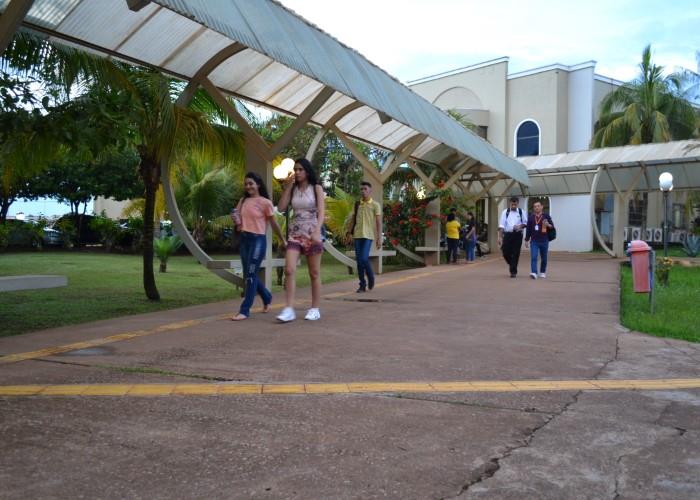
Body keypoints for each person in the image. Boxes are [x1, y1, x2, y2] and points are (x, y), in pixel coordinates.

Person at [231, 172, 286, 321]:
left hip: (258, 241)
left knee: (250, 275)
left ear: (258, 185)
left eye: (251, 183)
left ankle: (244, 310)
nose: (248, 186)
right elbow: (236, 216)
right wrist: (236, 218)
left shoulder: (265, 202)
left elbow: (273, 223)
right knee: (250, 274)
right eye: (246, 184)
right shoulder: (243, 200)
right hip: (244, 240)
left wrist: (282, 240)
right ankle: (267, 297)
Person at [276, 158, 325, 322]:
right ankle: (289, 309)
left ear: (307, 171)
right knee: (289, 269)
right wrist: (289, 186)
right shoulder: (293, 189)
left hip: (312, 233)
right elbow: (281, 208)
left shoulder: (316, 188)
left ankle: (315, 309)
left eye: (300, 169)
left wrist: (317, 231)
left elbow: (321, 212)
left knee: (314, 273)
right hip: (295, 234)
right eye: (295, 169)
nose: (297, 172)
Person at [348, 181, 382, 292]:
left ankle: (371, 276)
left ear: (370, 191)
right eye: (361, 189)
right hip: (357, 235)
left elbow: (378, 222)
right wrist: (349, 233)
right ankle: (362, 284)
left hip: (368, 236)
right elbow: (353, 220)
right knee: (359, 262)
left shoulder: (375, 205)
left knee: (364, 258)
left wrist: (379, 238)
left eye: (365, 189)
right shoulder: (357, 204)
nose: (363, 191)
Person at [498, 197, 527, 278]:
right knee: (505, 251)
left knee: (515, 253)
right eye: (512, 203)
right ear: (510, 203)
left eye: (515, 203)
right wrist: (500, 237)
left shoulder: (521, 212)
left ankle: (513, 271)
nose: (513, 205)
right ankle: (512, 264)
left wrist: (519, 226)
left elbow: (525, 223)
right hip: (508, 234)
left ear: (517, 203)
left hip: (518, 235)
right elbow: (501, 225)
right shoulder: (505, 212)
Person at [525, 201, 554, 279]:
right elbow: (528, 229)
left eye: (538, 206)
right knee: (534, 257)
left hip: (544, 240)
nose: (536, 208)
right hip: (534, 241)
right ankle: (534, 272)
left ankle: (542, 272)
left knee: (544, 258)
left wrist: (548, 224)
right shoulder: (531, 217)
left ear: (541, 207)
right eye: (535, 206)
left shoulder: (546, 216)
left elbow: (552, 226)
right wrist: (526, 240)